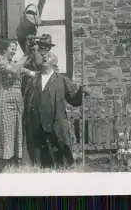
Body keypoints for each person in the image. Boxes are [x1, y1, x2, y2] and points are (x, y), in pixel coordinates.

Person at [22, 34, 88, 169]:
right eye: (42, 55)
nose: (45, 56)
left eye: (48, 55)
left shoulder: (61, 80)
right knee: (40, 164)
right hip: (37, 128)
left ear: (53, 60)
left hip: (56, 126)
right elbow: (27, 102)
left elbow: (74, 100)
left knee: (61, 162)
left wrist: (82, 92)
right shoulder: (32, 81)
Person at [0, 40, 35, 171]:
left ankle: (13, 161)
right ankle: (1, 162)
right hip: (3, 97)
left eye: (16, 49)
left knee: (16, 130)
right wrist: (25, 55)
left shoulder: (15, 63)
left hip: (17, 100)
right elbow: (13, 70)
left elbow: (30, 72)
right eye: (12, 48)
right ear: (4, 49)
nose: (14, 51)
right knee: (4, 130)